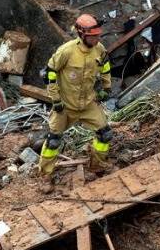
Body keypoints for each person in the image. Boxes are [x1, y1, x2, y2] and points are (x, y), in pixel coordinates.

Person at [39, 13, 113, 193]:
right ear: (81, 34)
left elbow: (105, 68)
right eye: (92, 36)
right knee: (53, 141)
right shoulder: (67, 51)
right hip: (64, 105)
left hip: (88, 103)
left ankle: (97, 166)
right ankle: (45, 175)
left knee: (104, 134)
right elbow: (50, 73)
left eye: (97, 35)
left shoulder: (100, 49)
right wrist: (55, 99)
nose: (96, 39)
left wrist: (106, 88)